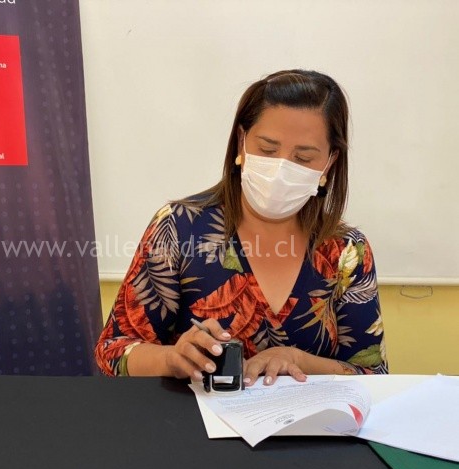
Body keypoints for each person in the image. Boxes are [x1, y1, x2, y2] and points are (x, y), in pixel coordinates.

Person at [95, 69, 388, 385]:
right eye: (267, 149)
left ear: (329, 163)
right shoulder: (179, 228)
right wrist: (172, 359)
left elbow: (375, 376)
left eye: (303, 158)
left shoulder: (346, 251)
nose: (281, 169)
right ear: (240, 143)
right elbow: (112, 353)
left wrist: (298, 360)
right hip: (191, 416)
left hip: (310, 419)